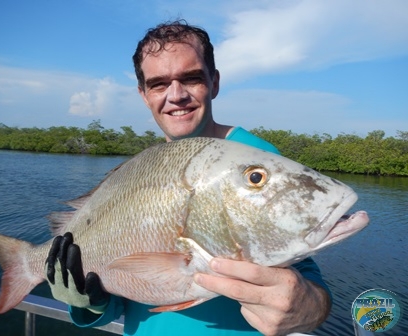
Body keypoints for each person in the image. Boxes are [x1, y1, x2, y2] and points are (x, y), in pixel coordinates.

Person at [45, 20, 332, 336]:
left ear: (214, 82)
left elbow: (303, 273)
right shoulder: (141, 168)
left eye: (191, 78)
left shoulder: (255, 162)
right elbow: (122, 295)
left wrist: (307, 306)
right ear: (144, 94)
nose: (176, 95)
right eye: (158, 84)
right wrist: (91, 302)